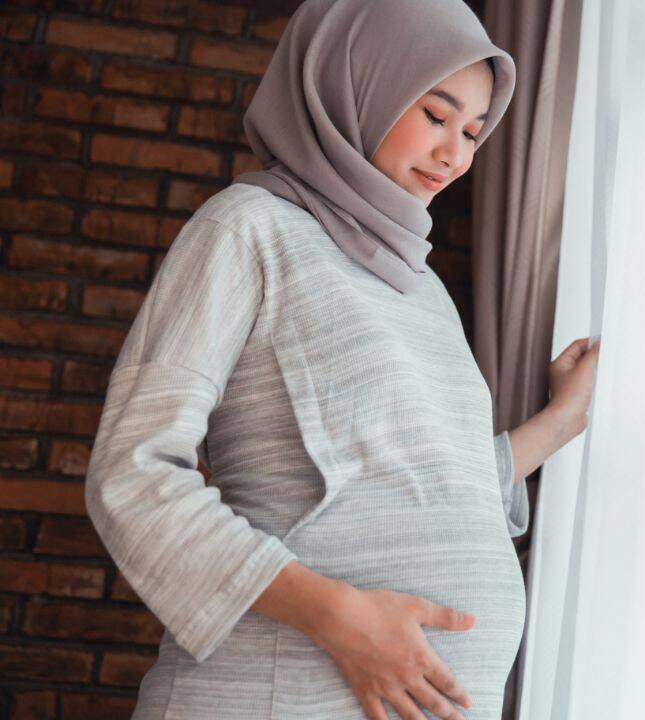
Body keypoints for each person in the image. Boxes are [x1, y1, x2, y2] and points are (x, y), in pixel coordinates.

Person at [83, 0, 600, 718]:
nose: (455, 154)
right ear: (364, 81)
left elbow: (427, 479)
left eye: (475, 132)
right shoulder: (248, 230)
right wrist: (337, 618)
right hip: (270, 695)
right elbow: (131, 472)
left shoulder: (422, 288)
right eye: (436, 114)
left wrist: (562, 422)